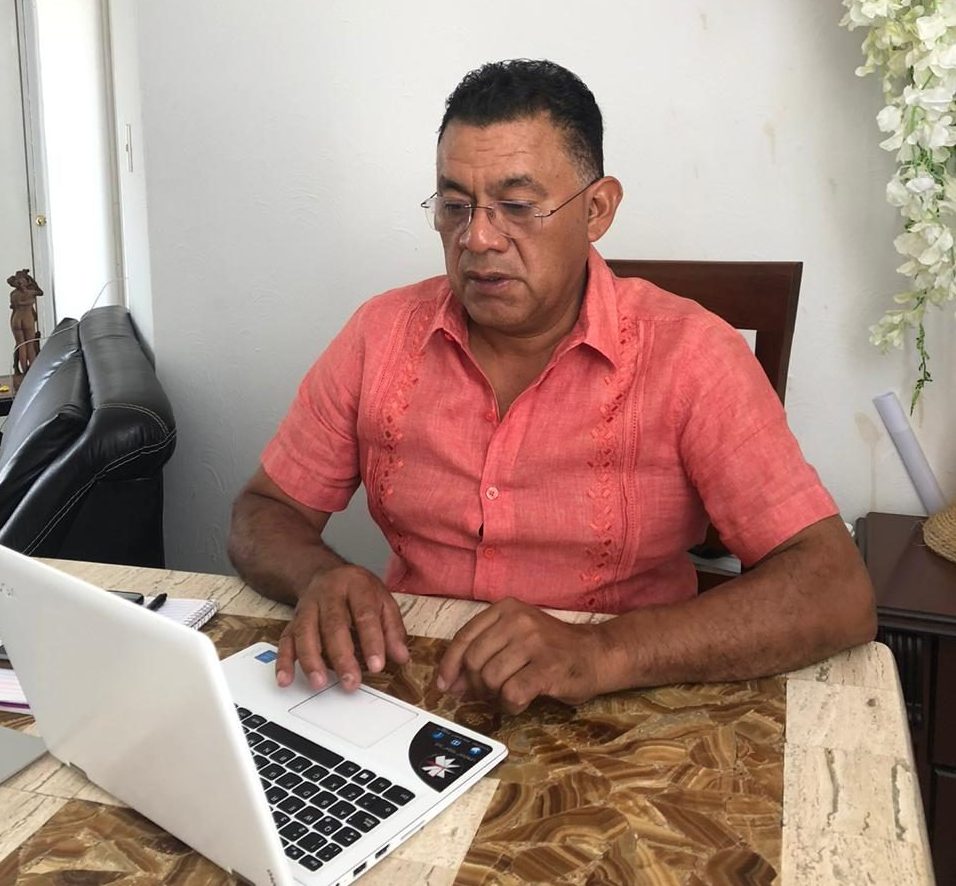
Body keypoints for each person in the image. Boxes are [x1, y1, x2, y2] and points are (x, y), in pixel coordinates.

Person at [229, 59, 876, 715]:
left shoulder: (691, 355)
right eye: (455, 206)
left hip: (623, 709)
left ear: (596, 210)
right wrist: (321, 577)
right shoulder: (381, 334)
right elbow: (263, 512)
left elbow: (835, 589)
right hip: (412, 691)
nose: (478, 238)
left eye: (517, 206)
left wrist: (602, 652)